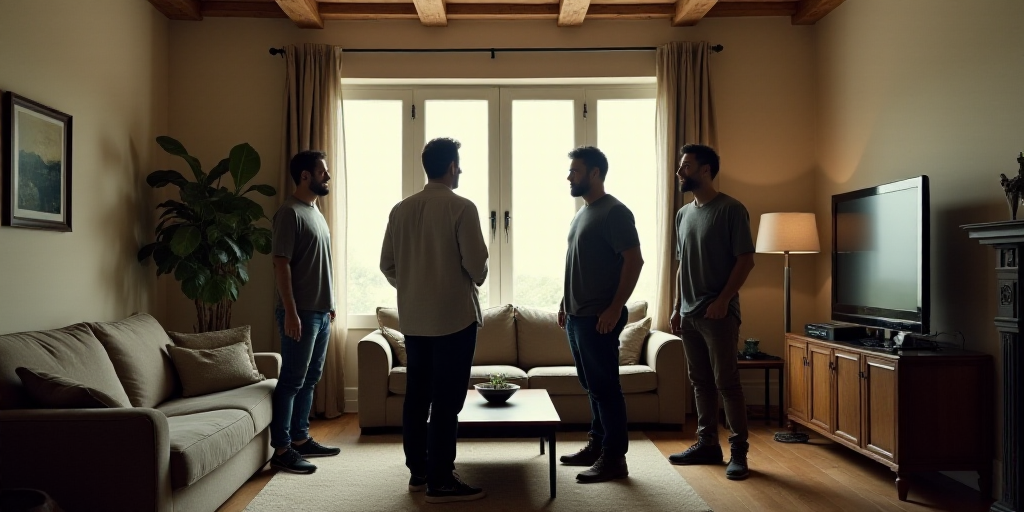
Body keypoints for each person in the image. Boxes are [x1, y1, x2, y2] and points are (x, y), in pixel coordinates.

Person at [380, 137, 489, 504]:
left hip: (414, 320)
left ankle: (419, 471)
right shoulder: (462, 208)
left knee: (417, 397)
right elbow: (477, 269)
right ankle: (441, 479)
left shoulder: (400, 210)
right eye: (460, 164)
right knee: (447, 401)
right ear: (452, 167)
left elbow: (388, 266)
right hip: (454, 320)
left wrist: (414, 286)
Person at [667, 144, 755, 481]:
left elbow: (746, 260)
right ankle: (707, 445)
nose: (680, 172)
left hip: (719, 314)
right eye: (680, 165)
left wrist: (723, 300)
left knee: (727, 383)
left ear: (705, 170)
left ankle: (739, 453)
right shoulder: (683, 214)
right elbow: (681, 265)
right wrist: (677, 307)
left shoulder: (732, 209)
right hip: (688, 315)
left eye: (686, 166)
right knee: (700, 383)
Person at [556, 146, 643, 483]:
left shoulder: (615, 212)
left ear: (594, 173)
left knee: (606, 388)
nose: (569, 177)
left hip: (598, 318)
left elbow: (634, 261)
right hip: (577, 317)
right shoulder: (583, 212)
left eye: (575, 171)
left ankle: (614, 459)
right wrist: (565, 302)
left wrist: (615, 307)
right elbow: (577, 262)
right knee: (592, 386)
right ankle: (597, 444)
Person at [269, 150, 342, 474]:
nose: (327, 176)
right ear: (305, 176)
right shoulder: (289, 213)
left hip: (320, 312)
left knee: (310, 378)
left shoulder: (315, 211)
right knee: (292, 381)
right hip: (300, 314)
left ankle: (300, 438)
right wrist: (291, 313)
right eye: (322, 172)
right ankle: (282, 449)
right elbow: (280, 264)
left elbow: (319, 264)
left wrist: (330, 305)